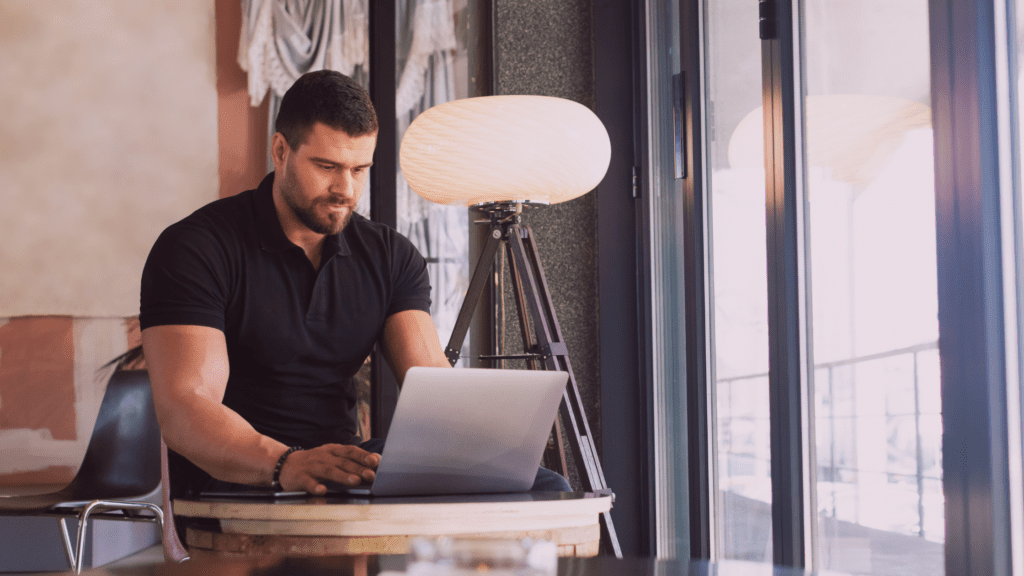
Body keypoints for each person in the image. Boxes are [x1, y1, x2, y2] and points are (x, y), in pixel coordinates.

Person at [139, 70, 570, 501]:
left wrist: (489, 453)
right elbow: (186, 408)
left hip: (343, 467)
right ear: (280, 151)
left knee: (545, 489)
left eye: (359, 169)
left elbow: (433, 387)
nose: (345, 189)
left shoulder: (390, 256)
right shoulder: (196, 249)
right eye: (326, 167)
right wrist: (286, 463)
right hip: (240, 475)